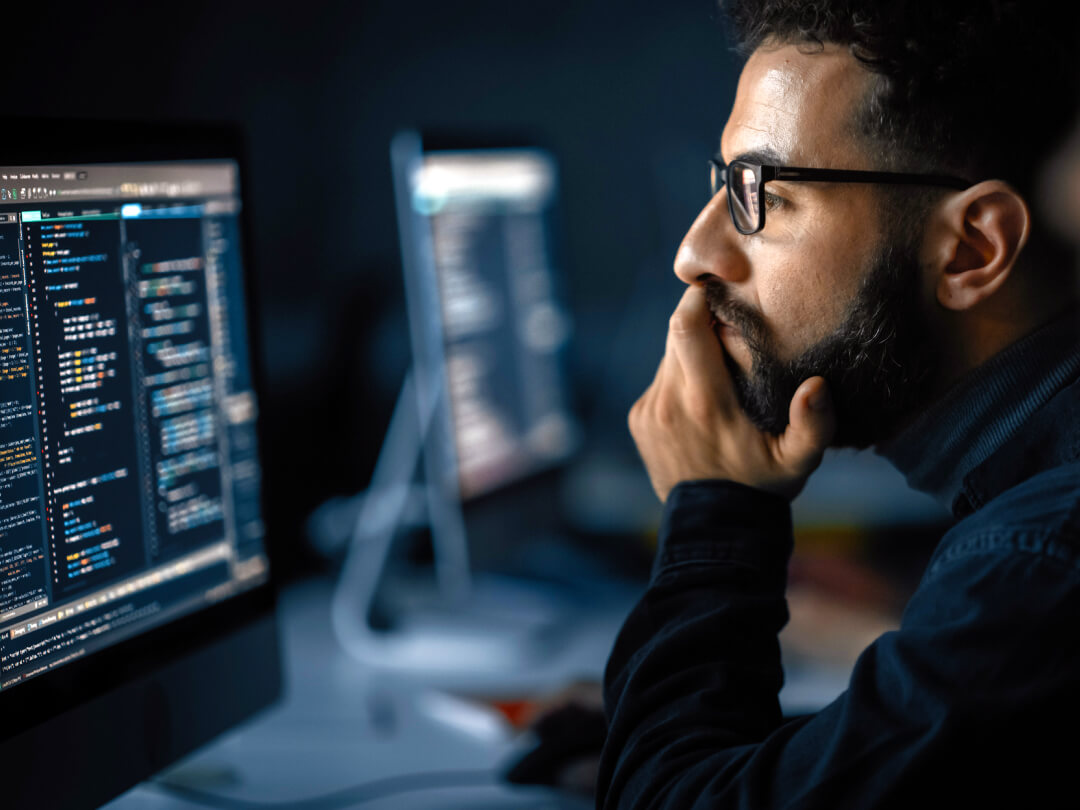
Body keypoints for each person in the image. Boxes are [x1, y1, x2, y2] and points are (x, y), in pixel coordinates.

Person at [595, 1, 1080, 807]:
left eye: (761, 193)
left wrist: (715, 510)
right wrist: (691, 735)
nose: (694, 253)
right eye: (722, 184)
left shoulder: (1040, 560)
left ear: (972, 249)